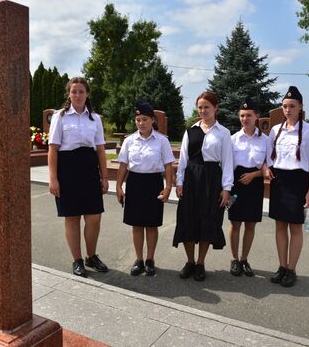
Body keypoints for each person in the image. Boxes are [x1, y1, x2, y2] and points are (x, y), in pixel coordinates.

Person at [48, 77, 109, 278]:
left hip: (89, 169)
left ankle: (92, 256)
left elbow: (100, 150)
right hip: (67, 169)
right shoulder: (60, 116)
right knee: (72, 217)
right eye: (74, 92)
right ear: (69, 94)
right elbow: (53, 149)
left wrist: (104, 177)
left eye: (81, 91)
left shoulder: (95, 119)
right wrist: (53, 178)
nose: (77, 95)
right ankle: (78, 260)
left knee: (94, 217)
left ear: (87, 94)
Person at [264, 86, 309, 287]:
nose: (288, 110)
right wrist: (266, 168)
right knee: (280, 225)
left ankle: (292, 268)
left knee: (295, 227)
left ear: (300, 107)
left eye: (292, 106)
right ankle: (282, 266)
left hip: (299, 181)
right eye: (285, 106)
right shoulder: (275, 130)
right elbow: (267, 156)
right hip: (280, 181)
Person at [173, 91, 233, 281]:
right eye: (200, 107)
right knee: (187, 219)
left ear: (216, 108)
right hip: (191, 179)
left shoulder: (223, 133)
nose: (203, 110)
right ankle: (190, 261)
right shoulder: (190, 130)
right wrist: (179, 182)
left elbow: (228, 162)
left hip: (212, 180)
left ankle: (200, 263)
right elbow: (183, 159)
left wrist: (226, 188)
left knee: (207, 220)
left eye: (207, 106)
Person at [116, 100, 175, 276]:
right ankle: (139, 259)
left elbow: (168, 166)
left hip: (153, 183)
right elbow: (123, 165)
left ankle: (150, 259)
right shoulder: (129, 141)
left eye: (145, 119)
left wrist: (168, 187)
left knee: (151, 225)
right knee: (136, 224)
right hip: (134, 183)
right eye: (138, 120)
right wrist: (119, 186)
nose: (141, 123)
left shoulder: (162, 141)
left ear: (152, 120)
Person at [228, 97, 272, 278]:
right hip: (236, 184)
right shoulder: (232, 139)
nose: (245, 119)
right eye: (242, 115)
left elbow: (270, 167)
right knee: (234, 223)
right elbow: (228, 165)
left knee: (250, 224)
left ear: (257, 117)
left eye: (249, 115)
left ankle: (244, 259)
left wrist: (254, 175)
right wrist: (227, 188)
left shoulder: (265, 141)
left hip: (254, 185)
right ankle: (234, 259)